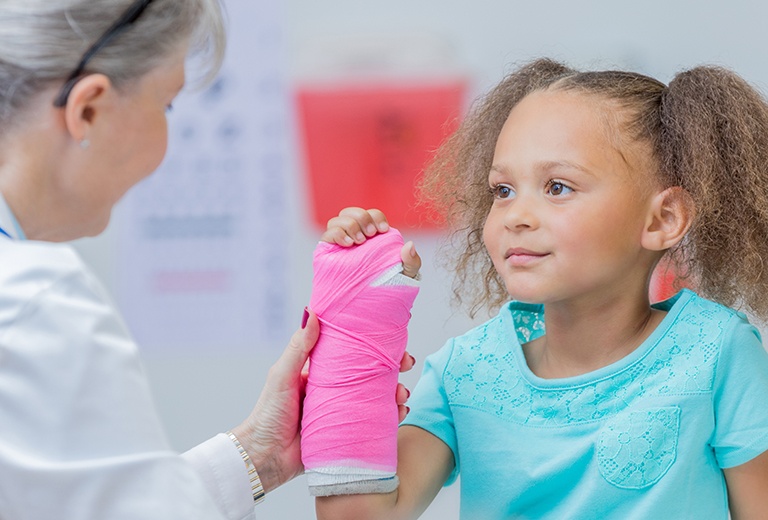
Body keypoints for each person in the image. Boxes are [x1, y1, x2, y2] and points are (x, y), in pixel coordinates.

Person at [0, 1, 417, 519]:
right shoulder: (36, 300)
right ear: (89, 109)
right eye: (166, 106)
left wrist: (260, 453)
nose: (166, 142)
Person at [316, 58, 768, 519]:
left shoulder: (717, 354)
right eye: (503, 190)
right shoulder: (467, 372)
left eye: (557, 187)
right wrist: (358, 319)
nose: (515, 216)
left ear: (662, 219)